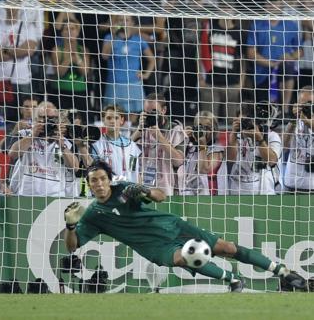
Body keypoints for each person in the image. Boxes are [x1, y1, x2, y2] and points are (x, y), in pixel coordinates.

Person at [63, 160, 308, 292]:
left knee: (228, 248)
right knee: (183, 258)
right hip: (153, 246)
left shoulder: (123, 188)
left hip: (172, 225)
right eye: (93, 181)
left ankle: (283, 272)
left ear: (108, 178)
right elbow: (72, 247)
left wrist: (145, 189)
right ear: (88, 184)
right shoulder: (92, 214)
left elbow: (160, 197)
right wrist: (71, 227)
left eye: (102, 178)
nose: (98, 184)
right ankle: (233, 280)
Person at [8, 101, 80, 196]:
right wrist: (33, 135)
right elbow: (12, 154)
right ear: (35, 119)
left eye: (52, 118)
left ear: (58, 120)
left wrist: (62, 145)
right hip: (27, 195)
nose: (47, 122)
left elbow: (75, 167)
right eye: (43, 118)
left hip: (55, 198)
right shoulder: (24, 134)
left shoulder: (66, 142)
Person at [102, 15, 155, 125]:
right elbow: (104, 56)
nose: (124, 22)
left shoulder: (138, 39)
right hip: (115, 84)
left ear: (132, 23)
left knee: (133, 118)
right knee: (114, 116)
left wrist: (146, 74)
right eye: (121, 20)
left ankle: (130, 140)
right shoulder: (109, 37)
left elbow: (152, 60)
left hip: (133, 84)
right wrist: (113, 34)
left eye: (127, 20)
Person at [131, 93, 185, 195]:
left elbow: (178, 161)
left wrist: (159, 136)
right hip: (144, 187)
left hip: (167, 190)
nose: (149, 115)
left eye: (153, 112)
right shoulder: (141, 129)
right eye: (146, 112)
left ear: (164, 110)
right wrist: (139, 130)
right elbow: (127, 152)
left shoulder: (175, 129)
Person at [227, 103, 281, 195]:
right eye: (243, 120)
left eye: (248, 120)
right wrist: (233, 134)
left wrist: (259, 139)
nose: (246, 123)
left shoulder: (272, 136)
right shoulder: (236, 136)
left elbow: (272, 161)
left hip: (264, 192)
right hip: (237, 191)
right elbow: (230, 159)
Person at [178, 111, 228, 195]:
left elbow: (204, 169)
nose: (203, 131)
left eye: (207, 128)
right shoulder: (190, 146)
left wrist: (202, 144)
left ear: (214, 130)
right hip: (188, 194)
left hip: (211, 197)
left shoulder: (218, 149)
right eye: (200, 127)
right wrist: (182, 139)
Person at [90, 105, 141, 183]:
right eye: (109, 118)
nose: (112, 121)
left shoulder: (131, 146)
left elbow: (134, 172)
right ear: (103, 120)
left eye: (116, 118)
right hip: (105, 190)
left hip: (126, 191)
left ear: (122, 120)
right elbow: (93, 170)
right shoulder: (96, 144)